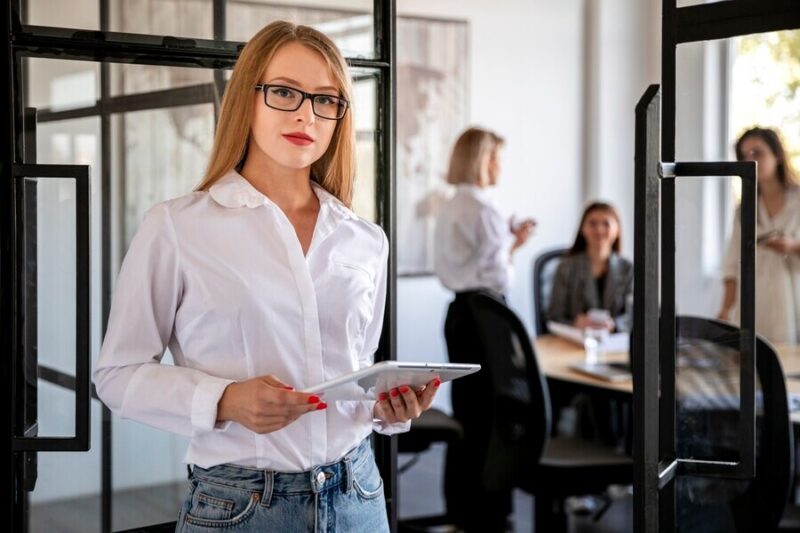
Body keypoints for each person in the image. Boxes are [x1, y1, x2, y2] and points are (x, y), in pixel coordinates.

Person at [92, 21, 438, 532]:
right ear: (246, 98)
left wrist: (390, 407)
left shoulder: (365, 240)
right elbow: (116, 377)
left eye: (326, 100)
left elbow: (355, 370)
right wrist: (226, 400)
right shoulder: (177, 226)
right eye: (284, 92)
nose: (306, 114)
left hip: (359, 496)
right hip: (242, 507)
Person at [433, 127, 535, 532]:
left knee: (468, 412)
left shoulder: (451, 204)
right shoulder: (483, 208)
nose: (500, 166)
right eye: (496, 157)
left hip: (460, 313)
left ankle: (462, 509)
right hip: (486, 316)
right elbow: (497, 275)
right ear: (482, 160)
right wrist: (514, 246)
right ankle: (490, 511)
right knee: (495, 414)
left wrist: (504, 243)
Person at [717, 127, 800, 344]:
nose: (750, 160)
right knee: (750, 365)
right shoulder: (744, 208)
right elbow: (732, 264)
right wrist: (725, 308)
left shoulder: (798, 201)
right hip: (753, 301)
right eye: (744, 156)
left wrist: (792, 246)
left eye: (757, 153)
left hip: (791, 300)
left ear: (778, 155)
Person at [547, 201, 633, 332]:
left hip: (616, 345)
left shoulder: (628, 269)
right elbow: (554, 316)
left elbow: (637, 314)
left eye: (606, 223)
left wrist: (614, 324)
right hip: (575, 343)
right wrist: (574, 323)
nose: (599, 229)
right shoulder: (566, 267)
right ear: (583, 229)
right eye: (592, 223)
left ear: (617, 230)